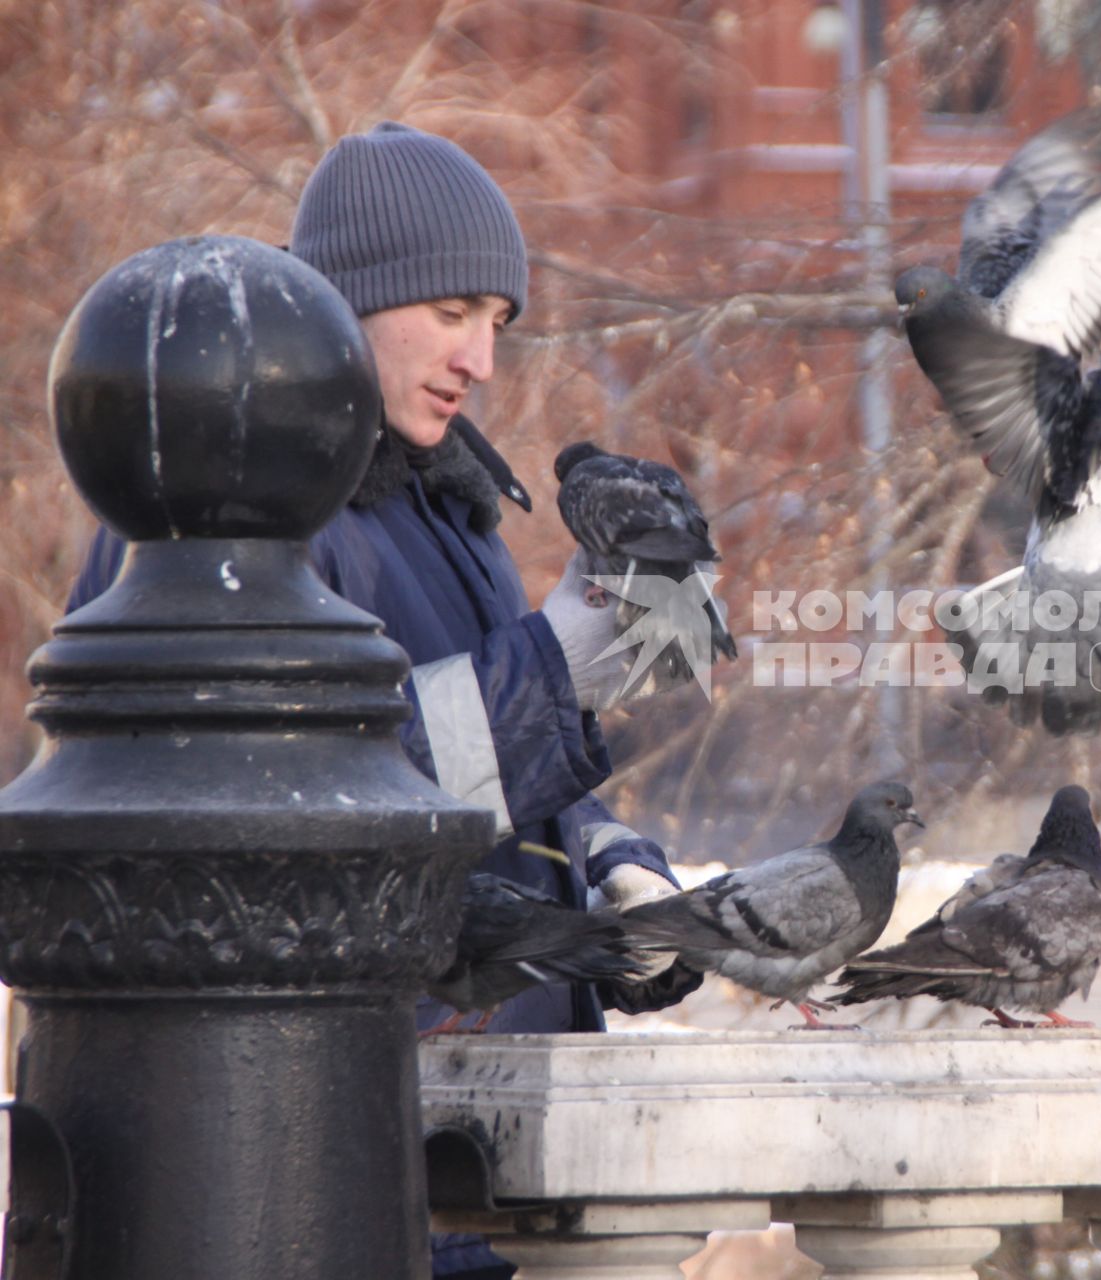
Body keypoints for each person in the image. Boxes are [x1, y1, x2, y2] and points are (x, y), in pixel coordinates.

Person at [65, 122, 701, 1280]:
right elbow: (286, 803)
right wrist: (562, 668)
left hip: (472, 1167)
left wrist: (608, 862)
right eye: (452, 311)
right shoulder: (246, 498)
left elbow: (474, 793)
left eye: (498, 325)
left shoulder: (445, 504)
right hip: (333, 1167)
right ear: (350, 296)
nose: (483, 361)